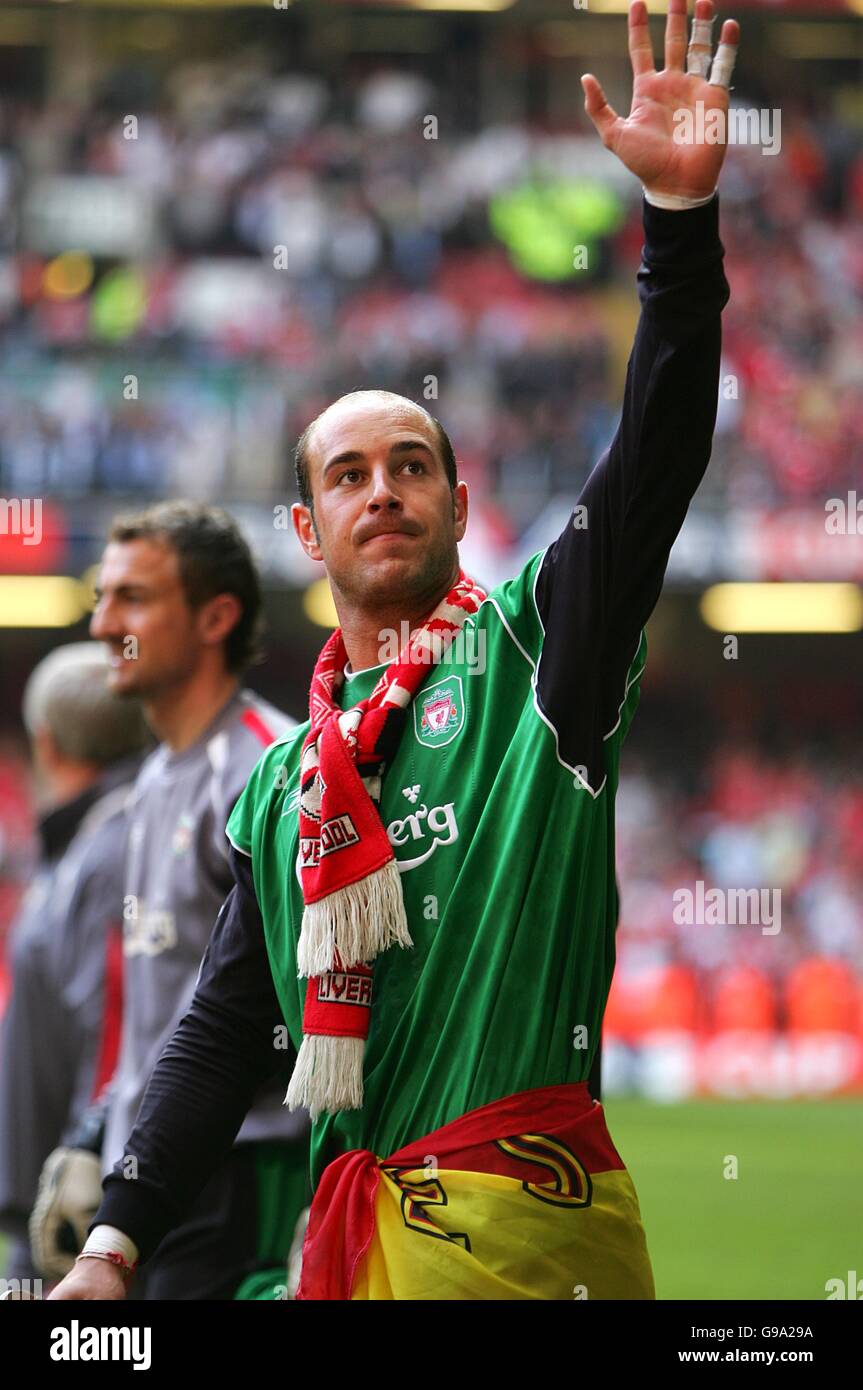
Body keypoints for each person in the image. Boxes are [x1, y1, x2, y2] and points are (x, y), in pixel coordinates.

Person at [50, 0, 739, 1301]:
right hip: (351, 1240)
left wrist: (678, 235)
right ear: (307, 528)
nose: (383, 489)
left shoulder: (543, 652)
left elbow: (653, 460)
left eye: (411, 465)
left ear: (459, 509)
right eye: (350, 473)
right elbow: (217, 1031)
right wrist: (112, 1241)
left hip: (527, 1240)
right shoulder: (279, 784)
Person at [36, 501, 309, 1300]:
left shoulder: (269, 768)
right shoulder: (153, 778)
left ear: (216, 616)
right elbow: (156, 1007)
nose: (101, 626)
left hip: (243, 1181)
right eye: (101, 598)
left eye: (133, 599)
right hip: (147, 1181)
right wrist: (99, 1132)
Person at [0, 643, 146, 1283]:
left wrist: (83, 1191)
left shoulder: (114, 849)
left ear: (46, 742)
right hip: (60, 1193)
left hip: (77, 1206)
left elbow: (113, 1038)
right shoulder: (84, 841)